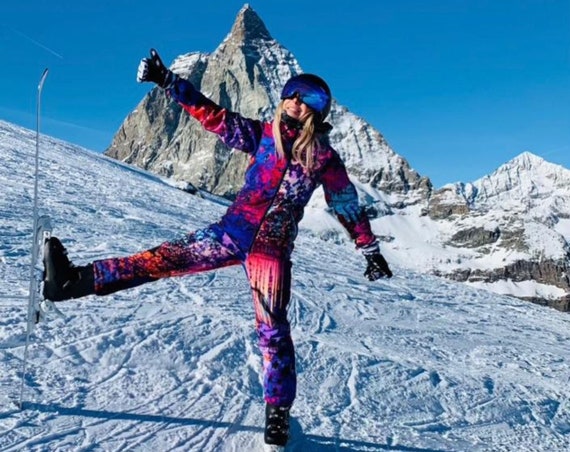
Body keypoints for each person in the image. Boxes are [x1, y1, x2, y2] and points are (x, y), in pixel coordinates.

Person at [42, 48, 393, 448]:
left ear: (319, 111)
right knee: (158, 260)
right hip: (229, 234)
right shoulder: (262, 136)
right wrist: (168, 81)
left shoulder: (323, 159)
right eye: (293, 93)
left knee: (273, 331)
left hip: (270, 253)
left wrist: (370, 250)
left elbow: (346, 203)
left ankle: (277, 418)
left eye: (309, 99)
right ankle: (70, 282)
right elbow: (214, 117)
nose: (297, 102)